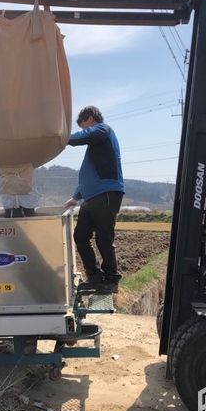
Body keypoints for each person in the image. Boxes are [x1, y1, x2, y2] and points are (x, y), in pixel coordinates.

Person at [64, 106, 125, 293]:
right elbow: (89, 175)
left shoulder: (103, 130)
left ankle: (111, 279)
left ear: (90, 119)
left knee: (103, 238)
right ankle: (94, 276)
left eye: (83, 125)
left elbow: (88, 135)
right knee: (80, 236)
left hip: (106, 193)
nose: (83, 130)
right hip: (91, 198)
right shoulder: (95, 148)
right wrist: (75, 197)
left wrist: (62, 138)